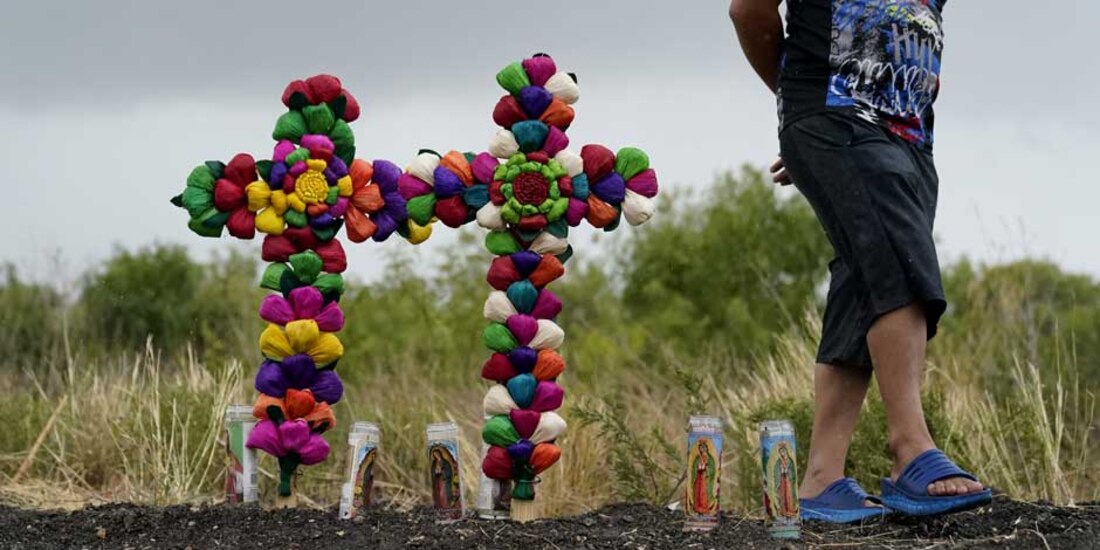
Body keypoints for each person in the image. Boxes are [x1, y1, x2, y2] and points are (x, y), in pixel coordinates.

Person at [728, 0, 992, 522]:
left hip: (909, 137)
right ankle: (911, 449)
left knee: (864, 277)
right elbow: (748, 10)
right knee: (899, 261)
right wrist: (805, 105)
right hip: (836, 117)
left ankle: (822, 479)